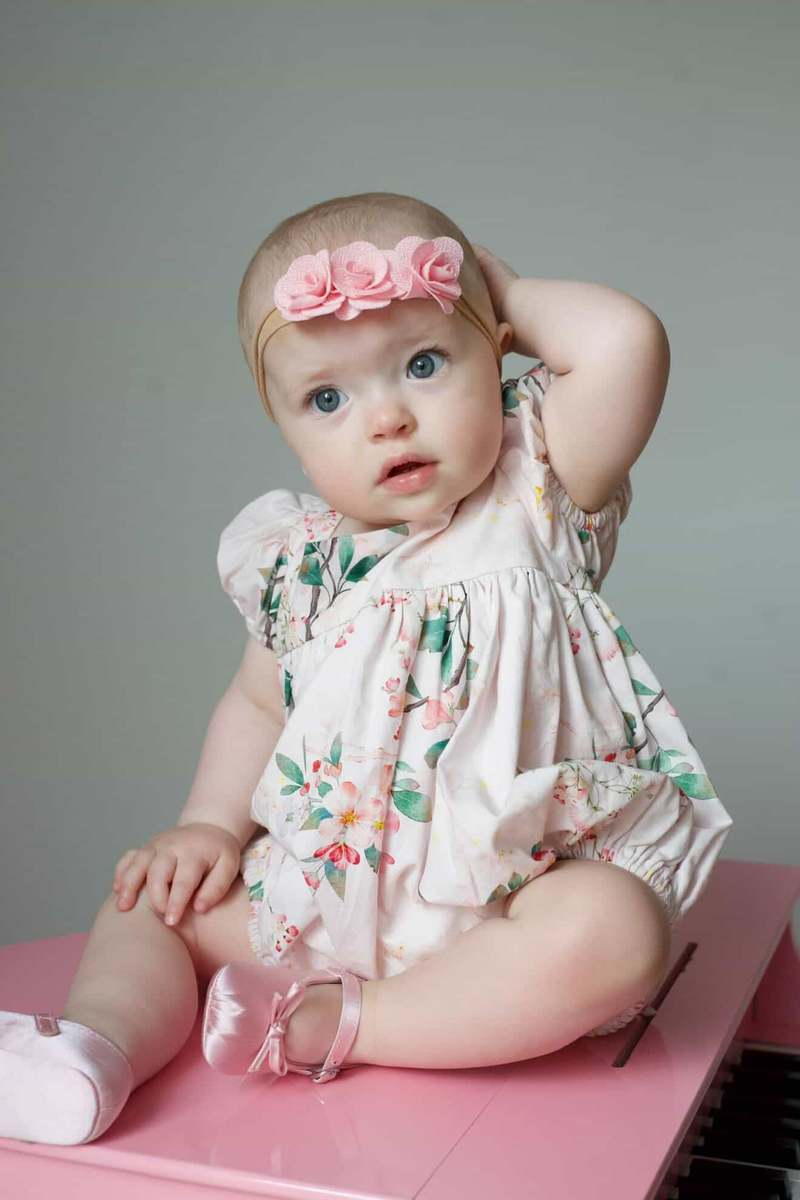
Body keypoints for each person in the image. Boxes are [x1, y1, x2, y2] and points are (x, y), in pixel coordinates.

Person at [0, 191, 733, 1145]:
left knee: (618, 932)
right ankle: (95, 1049)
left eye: (425, 363)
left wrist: (497, 287)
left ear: (496, 352)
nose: (387, 418)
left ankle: (351, 1023)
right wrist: (208, 825)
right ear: (283, 423)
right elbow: (257, 704)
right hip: (321, 897)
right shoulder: (296, 567)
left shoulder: (539, 487)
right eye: (328, 399)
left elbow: (626, 342)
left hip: (515, 899)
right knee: (152, 900)